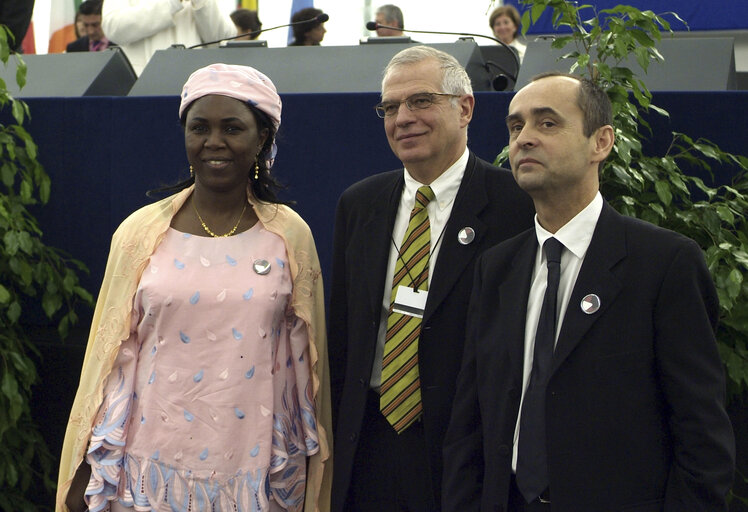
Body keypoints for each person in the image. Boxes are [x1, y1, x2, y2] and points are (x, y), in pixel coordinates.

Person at [442, 73, 735, 511]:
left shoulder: (664, 263)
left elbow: (703, 438)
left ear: (601, 142)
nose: (524, 139)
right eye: (516, 126)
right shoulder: (497, 267)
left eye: (547, 123)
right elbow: (470, 422)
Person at [56, 63, 332, 512]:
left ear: (262, 138)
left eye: (232, 128)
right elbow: (108, 360)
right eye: (199, 127)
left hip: (253, 471)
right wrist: (86, 462)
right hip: (147, 469)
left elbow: (308, 370)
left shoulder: (290, 237)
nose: (214, 142)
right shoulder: (139, 232)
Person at [329, 45, 535, 512]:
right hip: (370, 447)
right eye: (390, 107)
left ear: (464, 109)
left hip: (466, 454)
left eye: (420, 101)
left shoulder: (516, 206)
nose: (402, 118)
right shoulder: (359, 205)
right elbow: (342, 338)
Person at [101, 0, 236, 75]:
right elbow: (114, 28)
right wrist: (172, 3)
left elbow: (222, 38)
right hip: (142, 83)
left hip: (196, 85)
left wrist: (201, 3)